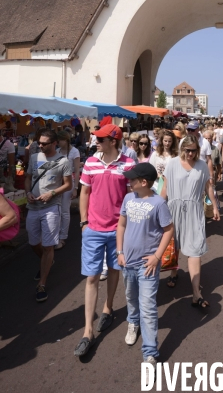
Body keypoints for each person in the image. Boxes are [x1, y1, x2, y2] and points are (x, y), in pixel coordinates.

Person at [74, 124, 135, 357]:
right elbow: (85, 193)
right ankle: (87, 331)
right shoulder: (90, 162)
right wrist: (83, 222)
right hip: (93, 229)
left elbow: (132, 196)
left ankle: (108, 307)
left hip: (118, 230)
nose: (96, 141)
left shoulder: (128, 164)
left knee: (114, 269)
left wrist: (129, 226)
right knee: (91, 276)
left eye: (101, 138)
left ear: (113, 140)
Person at [116, 163, 173, 375]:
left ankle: (150, 352)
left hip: (147, 265)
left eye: (133, 179)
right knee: (131, 297)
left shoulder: (158, 203)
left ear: (144, 182)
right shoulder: (128, 199)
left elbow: (168, 229)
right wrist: (119, 252)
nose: (129, 182)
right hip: (127, 261)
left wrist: (157, 257)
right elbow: (121, 225)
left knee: (148, 306)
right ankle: (133, 321)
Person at [161, 135, 220, 305]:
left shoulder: (202, 166)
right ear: (182, 149)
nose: (190, 154)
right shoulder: (172, 163)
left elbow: (208, 187)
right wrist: (156, 208)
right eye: (187, 150)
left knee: (195, 249)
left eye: (193, 151)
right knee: (174, 245)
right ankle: (174, 272)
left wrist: (215, 207)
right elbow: (164, 187)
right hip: (173, 209)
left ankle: (196, 293)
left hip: (194, 211)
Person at [25, 129, 72, 302]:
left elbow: (68, 185)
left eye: (44, 143)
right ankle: (47, 261)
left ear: (54, 144)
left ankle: (42, 284)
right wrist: (28, 191)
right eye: (39, 142)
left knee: (48, 246)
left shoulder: (63, 161)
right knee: (32, 242)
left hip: (51, 207)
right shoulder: (34, 157)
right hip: (33, 206)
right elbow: (28, 177)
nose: (40, 145)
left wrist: (52, 194)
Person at [55, 130, 81, 249]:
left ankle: (63, 236)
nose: (58, 143)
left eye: (60, 140)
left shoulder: (74, 152)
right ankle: (56, 235)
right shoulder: (57, 152)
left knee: (65, 210)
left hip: (68, 182)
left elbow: (76, 171)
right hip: (57, 183)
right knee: (56, 210)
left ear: (66, 140)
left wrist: (75, 188)